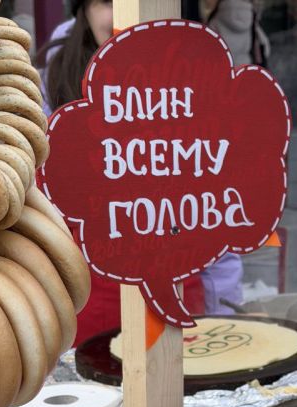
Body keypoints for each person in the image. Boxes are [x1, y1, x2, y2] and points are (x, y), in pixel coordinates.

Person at [38, 0, 245, 343]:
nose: (125, 14)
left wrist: (222, 315)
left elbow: (216, 219)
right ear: (83, 9)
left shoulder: (200, 89)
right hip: (79, 320)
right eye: (108, 1)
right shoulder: (46, 83)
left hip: (180, 318)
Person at [207, 0, 270, 68]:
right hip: (245, 68)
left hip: (222, 68)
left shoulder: (216, 19)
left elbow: (206, 46)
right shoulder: (251, 17)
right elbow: (264, 46)